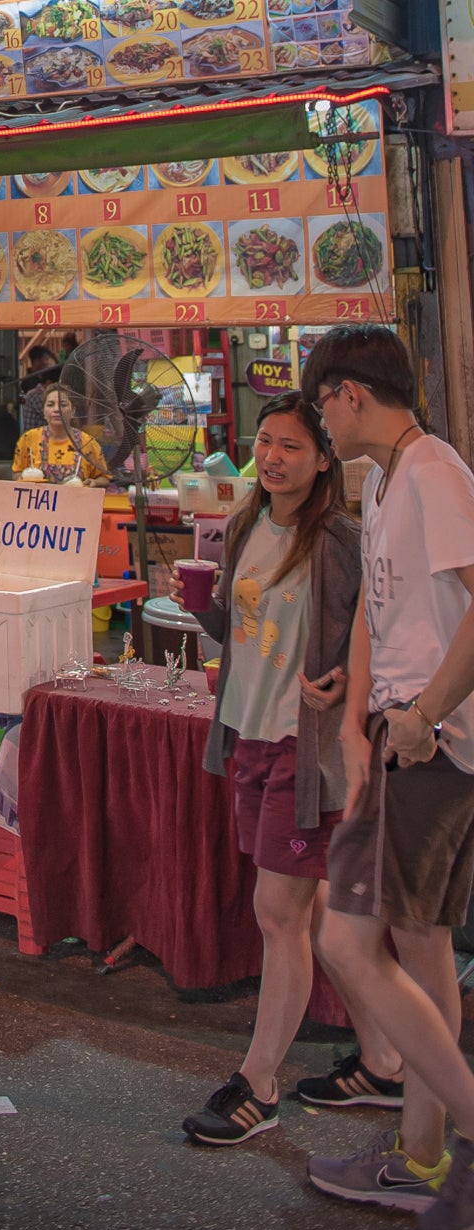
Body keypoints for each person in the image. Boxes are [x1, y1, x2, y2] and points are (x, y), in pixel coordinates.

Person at [179, 394, 400, 1145]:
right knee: (316, 915)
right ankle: (385, 1060)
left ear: (324, 457)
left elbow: (379, 633)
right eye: (265, 443)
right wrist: (201, 607)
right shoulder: (246, 523)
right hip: (250, 734)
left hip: (306, 751)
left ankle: (259, 1082)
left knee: (280, 915)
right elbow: (239, 630)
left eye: (292, 448)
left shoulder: (341, 538)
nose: (272, 458)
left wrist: (343, 679)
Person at [296, 326, 474, 1230]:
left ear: (352, 393)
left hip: (432, 750)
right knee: (424, 952)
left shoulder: (437, 472)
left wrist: (426, 715)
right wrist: (357, 709)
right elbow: (379, 603)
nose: (318, 417)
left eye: (320, 399)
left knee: (349, 944)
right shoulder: (383, 479)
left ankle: (464, 1146)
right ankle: (420, 1158)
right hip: (399, 740)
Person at [11, 384, 111, 485]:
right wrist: (25, 478)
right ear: (43, 412)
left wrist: (94, 482)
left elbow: (105, 478)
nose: (56, 409)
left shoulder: (88, 443)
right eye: (50, 405)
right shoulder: (29, 439)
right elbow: (16, 474)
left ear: (73, 411)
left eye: (63, 405)